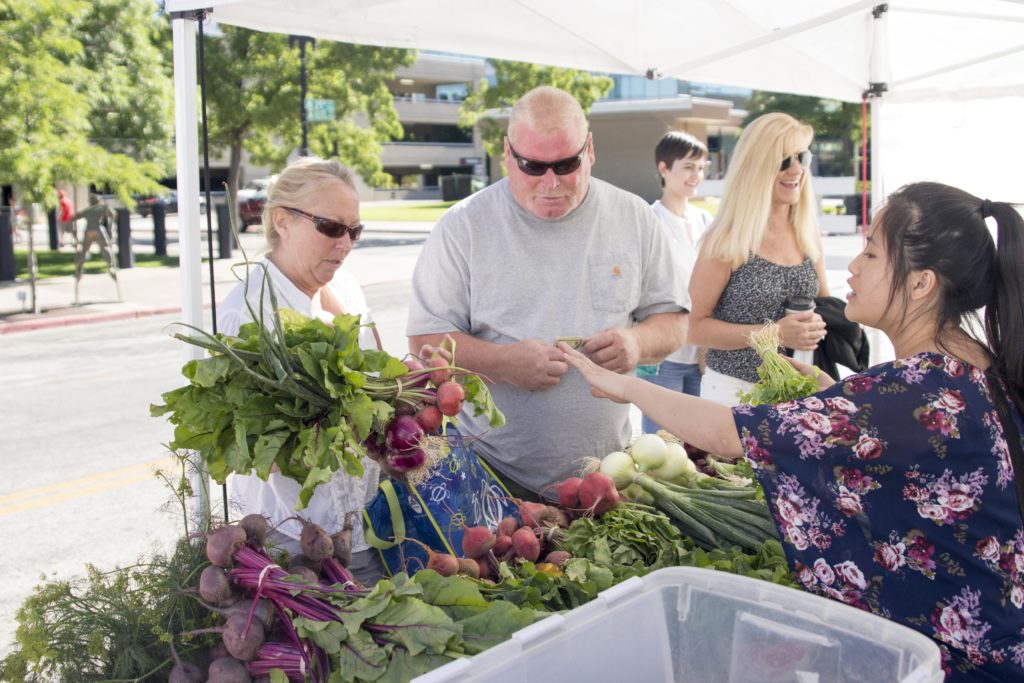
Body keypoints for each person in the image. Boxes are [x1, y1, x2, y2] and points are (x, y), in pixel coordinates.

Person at [559, 181, 1024, 682]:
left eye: (871, 253)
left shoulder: (915, 391)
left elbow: (725, 436)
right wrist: (834, 395)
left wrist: (625, 387)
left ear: (921, 284)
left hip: (958, 664)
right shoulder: (975, 368)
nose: (853, 267)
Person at [407, 85, 687, 501]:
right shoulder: (463, 226)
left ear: (590, 149)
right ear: (507, 153)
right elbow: (424, 341)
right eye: (533, 167)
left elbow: (675, 323)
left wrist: (636, 342)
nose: (551, 183)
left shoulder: (634, 218)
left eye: (566, 164)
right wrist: (503, 363)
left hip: (612, 476)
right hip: (491, 477)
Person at [217, 156, 387, 585]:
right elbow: (258, 453)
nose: (345, 244)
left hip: (364, 525)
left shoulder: (344, 285)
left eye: (354, 230)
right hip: (298, 544)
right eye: (331, 227)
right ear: (283, 221)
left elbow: (385, 375)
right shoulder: (251, 314)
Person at [688, 112, 829, 406]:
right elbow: (694, 327)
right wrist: (774, 334)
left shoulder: (807, 234)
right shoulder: (727, 237)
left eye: (802, 157)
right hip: (735, 395)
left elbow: (825, 305)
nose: (796, 170)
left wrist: (818, 324)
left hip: (801, 392)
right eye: (783, 160)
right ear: (756, 167)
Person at [639, 130, 714, 433]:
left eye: (701, 167)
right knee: (661, 445)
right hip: (664, 356)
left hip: (702, 354)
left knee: (699, 443)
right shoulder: (649, 219)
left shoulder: (705, 221)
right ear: (664, 168)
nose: (696, 175)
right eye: (688, 167)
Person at [72, 193, 119, 301]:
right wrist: (110, 227)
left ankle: (80, 268)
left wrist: (74, 234)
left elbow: (74, 217)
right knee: (105, 248)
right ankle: (110, 266)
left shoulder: (88, 210)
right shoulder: (101, 208)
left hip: (88, 230)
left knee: (84, 250)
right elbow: (113, 214)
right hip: (98, 230)